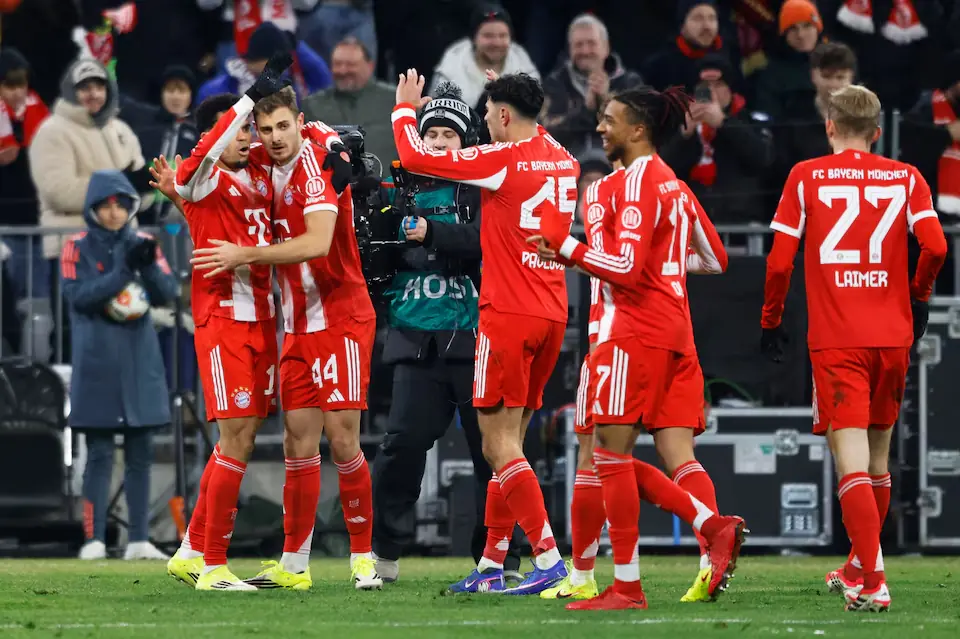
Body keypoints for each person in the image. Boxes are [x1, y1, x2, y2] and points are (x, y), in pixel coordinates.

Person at [530, 86, 746, 610]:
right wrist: (666, 269)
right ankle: (707, 552)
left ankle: (623, 580)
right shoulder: (671, 183)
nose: (601, 127)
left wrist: (567, 247)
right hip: (674, 331)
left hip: (629, 329)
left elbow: (624, 269)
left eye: (610, 120)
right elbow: (714, 258)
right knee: (671, 456)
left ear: (638, 128)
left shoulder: (628, 184)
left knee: (605, 455)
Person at [760, 85, 947, 612]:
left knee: (851, 465)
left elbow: (778, 263)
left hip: (839, 339)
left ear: (829, 126)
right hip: (892, 337)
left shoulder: (805, 176)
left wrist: (771, 320)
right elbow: (935, 245)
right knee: (877, 460)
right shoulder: (907, 177)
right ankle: (861, 564)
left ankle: (873, 581)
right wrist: (918, 295)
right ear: (878, 132)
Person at [391, 69, 575, 596]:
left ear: (500, 116)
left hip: (509, 313)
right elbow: (536, 125)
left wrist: (405, 109)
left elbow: (418, 158)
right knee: (510, 443)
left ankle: (547, 557)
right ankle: (493, 563)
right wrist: (508, 88)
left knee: (497, 446)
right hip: (551, 312)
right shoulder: (560, 158)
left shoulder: (501, 160)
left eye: (490, 110)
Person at [190, 85, 381, 591]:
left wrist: (245, 255)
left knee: (343, 439)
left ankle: (364, 557)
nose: (274, 138)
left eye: (283, 127)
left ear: (300, 121)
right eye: (265, 129)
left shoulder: (315, 171)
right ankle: (295, 563)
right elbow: (213, 166)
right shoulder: (261, 163)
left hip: (340, 316)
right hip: (296, 324)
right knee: (298, 441)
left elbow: (318, 243)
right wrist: (175, 186)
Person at [371, 81, 520, 583]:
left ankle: (499, 559)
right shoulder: (397, 187)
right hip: (416, 338)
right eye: (429, 132)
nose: (437, 142)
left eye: (447, 135)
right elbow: (377, 259)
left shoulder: (485, 186)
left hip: (478, 338)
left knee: (495, 456)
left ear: (466, 141)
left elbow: (490, 243)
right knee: (402, 447)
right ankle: (384, 555)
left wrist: (432, 234)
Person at [163, 55, 292, 592]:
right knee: (234, 438)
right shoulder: (204, 181)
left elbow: (286, 138)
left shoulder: (258, 174)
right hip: (223, 323)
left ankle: (192, 549)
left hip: (263, 323)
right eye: (243, 129)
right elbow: (193, 165)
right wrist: (243, 98)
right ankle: (214, 565)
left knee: (239, 437)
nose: (250, 138)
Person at [61, 169, 179, 561]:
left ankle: (139, 539)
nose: (113, 213)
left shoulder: (146, 243)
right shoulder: (74, 246)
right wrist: (124, 272)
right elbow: (78, 297)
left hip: (139, 363)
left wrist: (145, 265)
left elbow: (168, 293)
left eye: (121, 205)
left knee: (141, 455)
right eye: (106, 205)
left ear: (130, 207)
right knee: (97, 455)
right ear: (93, 209)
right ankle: (94, 539)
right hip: (97, 364)